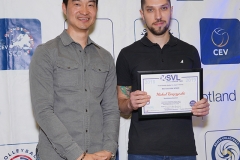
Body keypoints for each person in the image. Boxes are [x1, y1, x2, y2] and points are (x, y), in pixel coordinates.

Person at [116, 0, 210, 159]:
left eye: (163, 8)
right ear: (142, 14)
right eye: (151, 10)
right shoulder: (127, 55)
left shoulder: (190, 52)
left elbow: (196, 98)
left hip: (183, 151)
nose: (158, 16)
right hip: (142, 152)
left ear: (171, 10)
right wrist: (130, 103)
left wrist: (202, 107)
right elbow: (121, 104)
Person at [29, 0, 120, 160]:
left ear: (96, 10)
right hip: (55, 156)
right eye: (77, 4)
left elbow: (111, 109)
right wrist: (76, 154)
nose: (84, 11)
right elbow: (43, 111)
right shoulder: (46, 53)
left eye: (90, 5)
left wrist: (109, 149)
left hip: (98, 155)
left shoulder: (105, 58)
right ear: (65, 8)